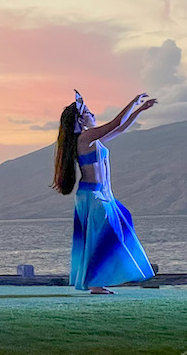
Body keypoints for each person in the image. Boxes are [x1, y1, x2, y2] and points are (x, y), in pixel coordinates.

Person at [53, 90, 157, 294]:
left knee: (119, 224)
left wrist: (140, 109)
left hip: (103, 195)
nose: (93, 115)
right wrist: (133, 101)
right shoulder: (85, 137)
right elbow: (116, 123)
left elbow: (122, 128)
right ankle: (95, 284)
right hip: (93, 196)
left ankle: (99, 280)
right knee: (100, 237)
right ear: (81, 120)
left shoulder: (93, 139)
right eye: (89, 113)